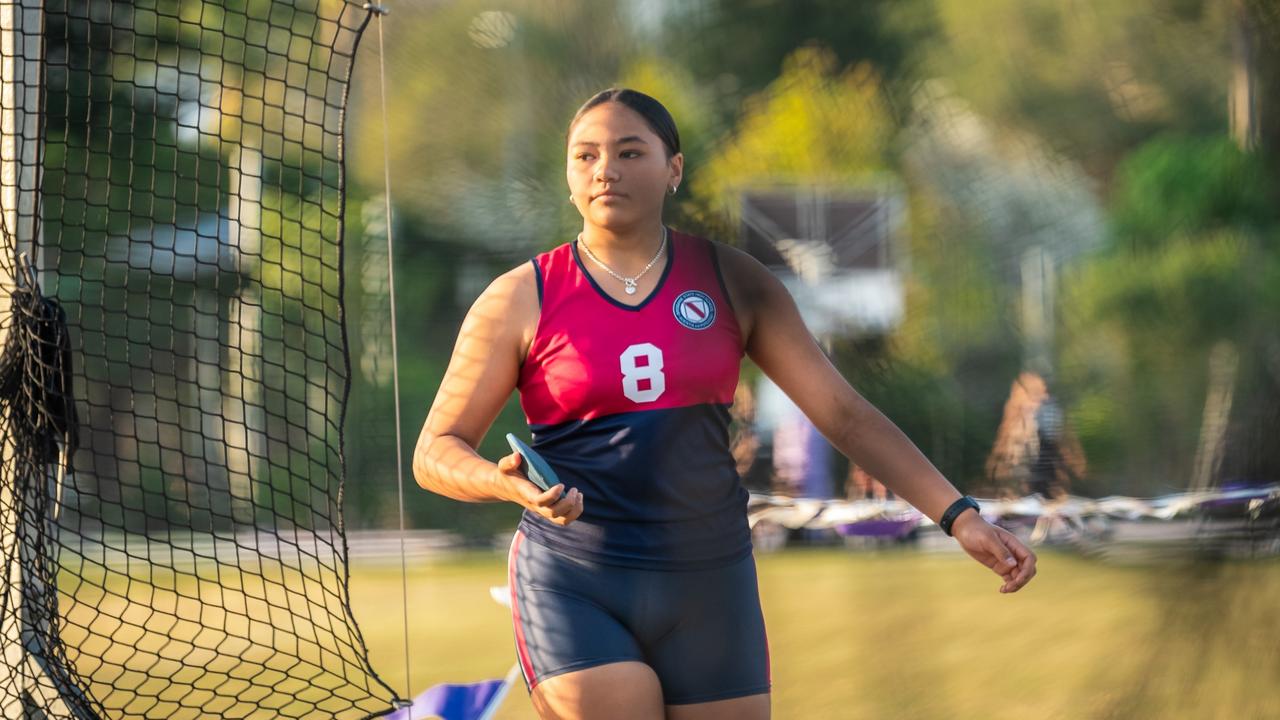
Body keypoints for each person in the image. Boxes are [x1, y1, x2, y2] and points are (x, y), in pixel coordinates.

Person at [412, 87, 1037, 720]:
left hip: (710, 578)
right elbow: (435, 451)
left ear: (674, 168)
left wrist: (959, 515)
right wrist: (502, 482)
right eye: (586, 155)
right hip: (576, 579)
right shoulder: (520, 296)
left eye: (631, 151)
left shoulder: (732, 279)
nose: (606, 169)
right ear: (569, 173)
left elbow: (845, 415)